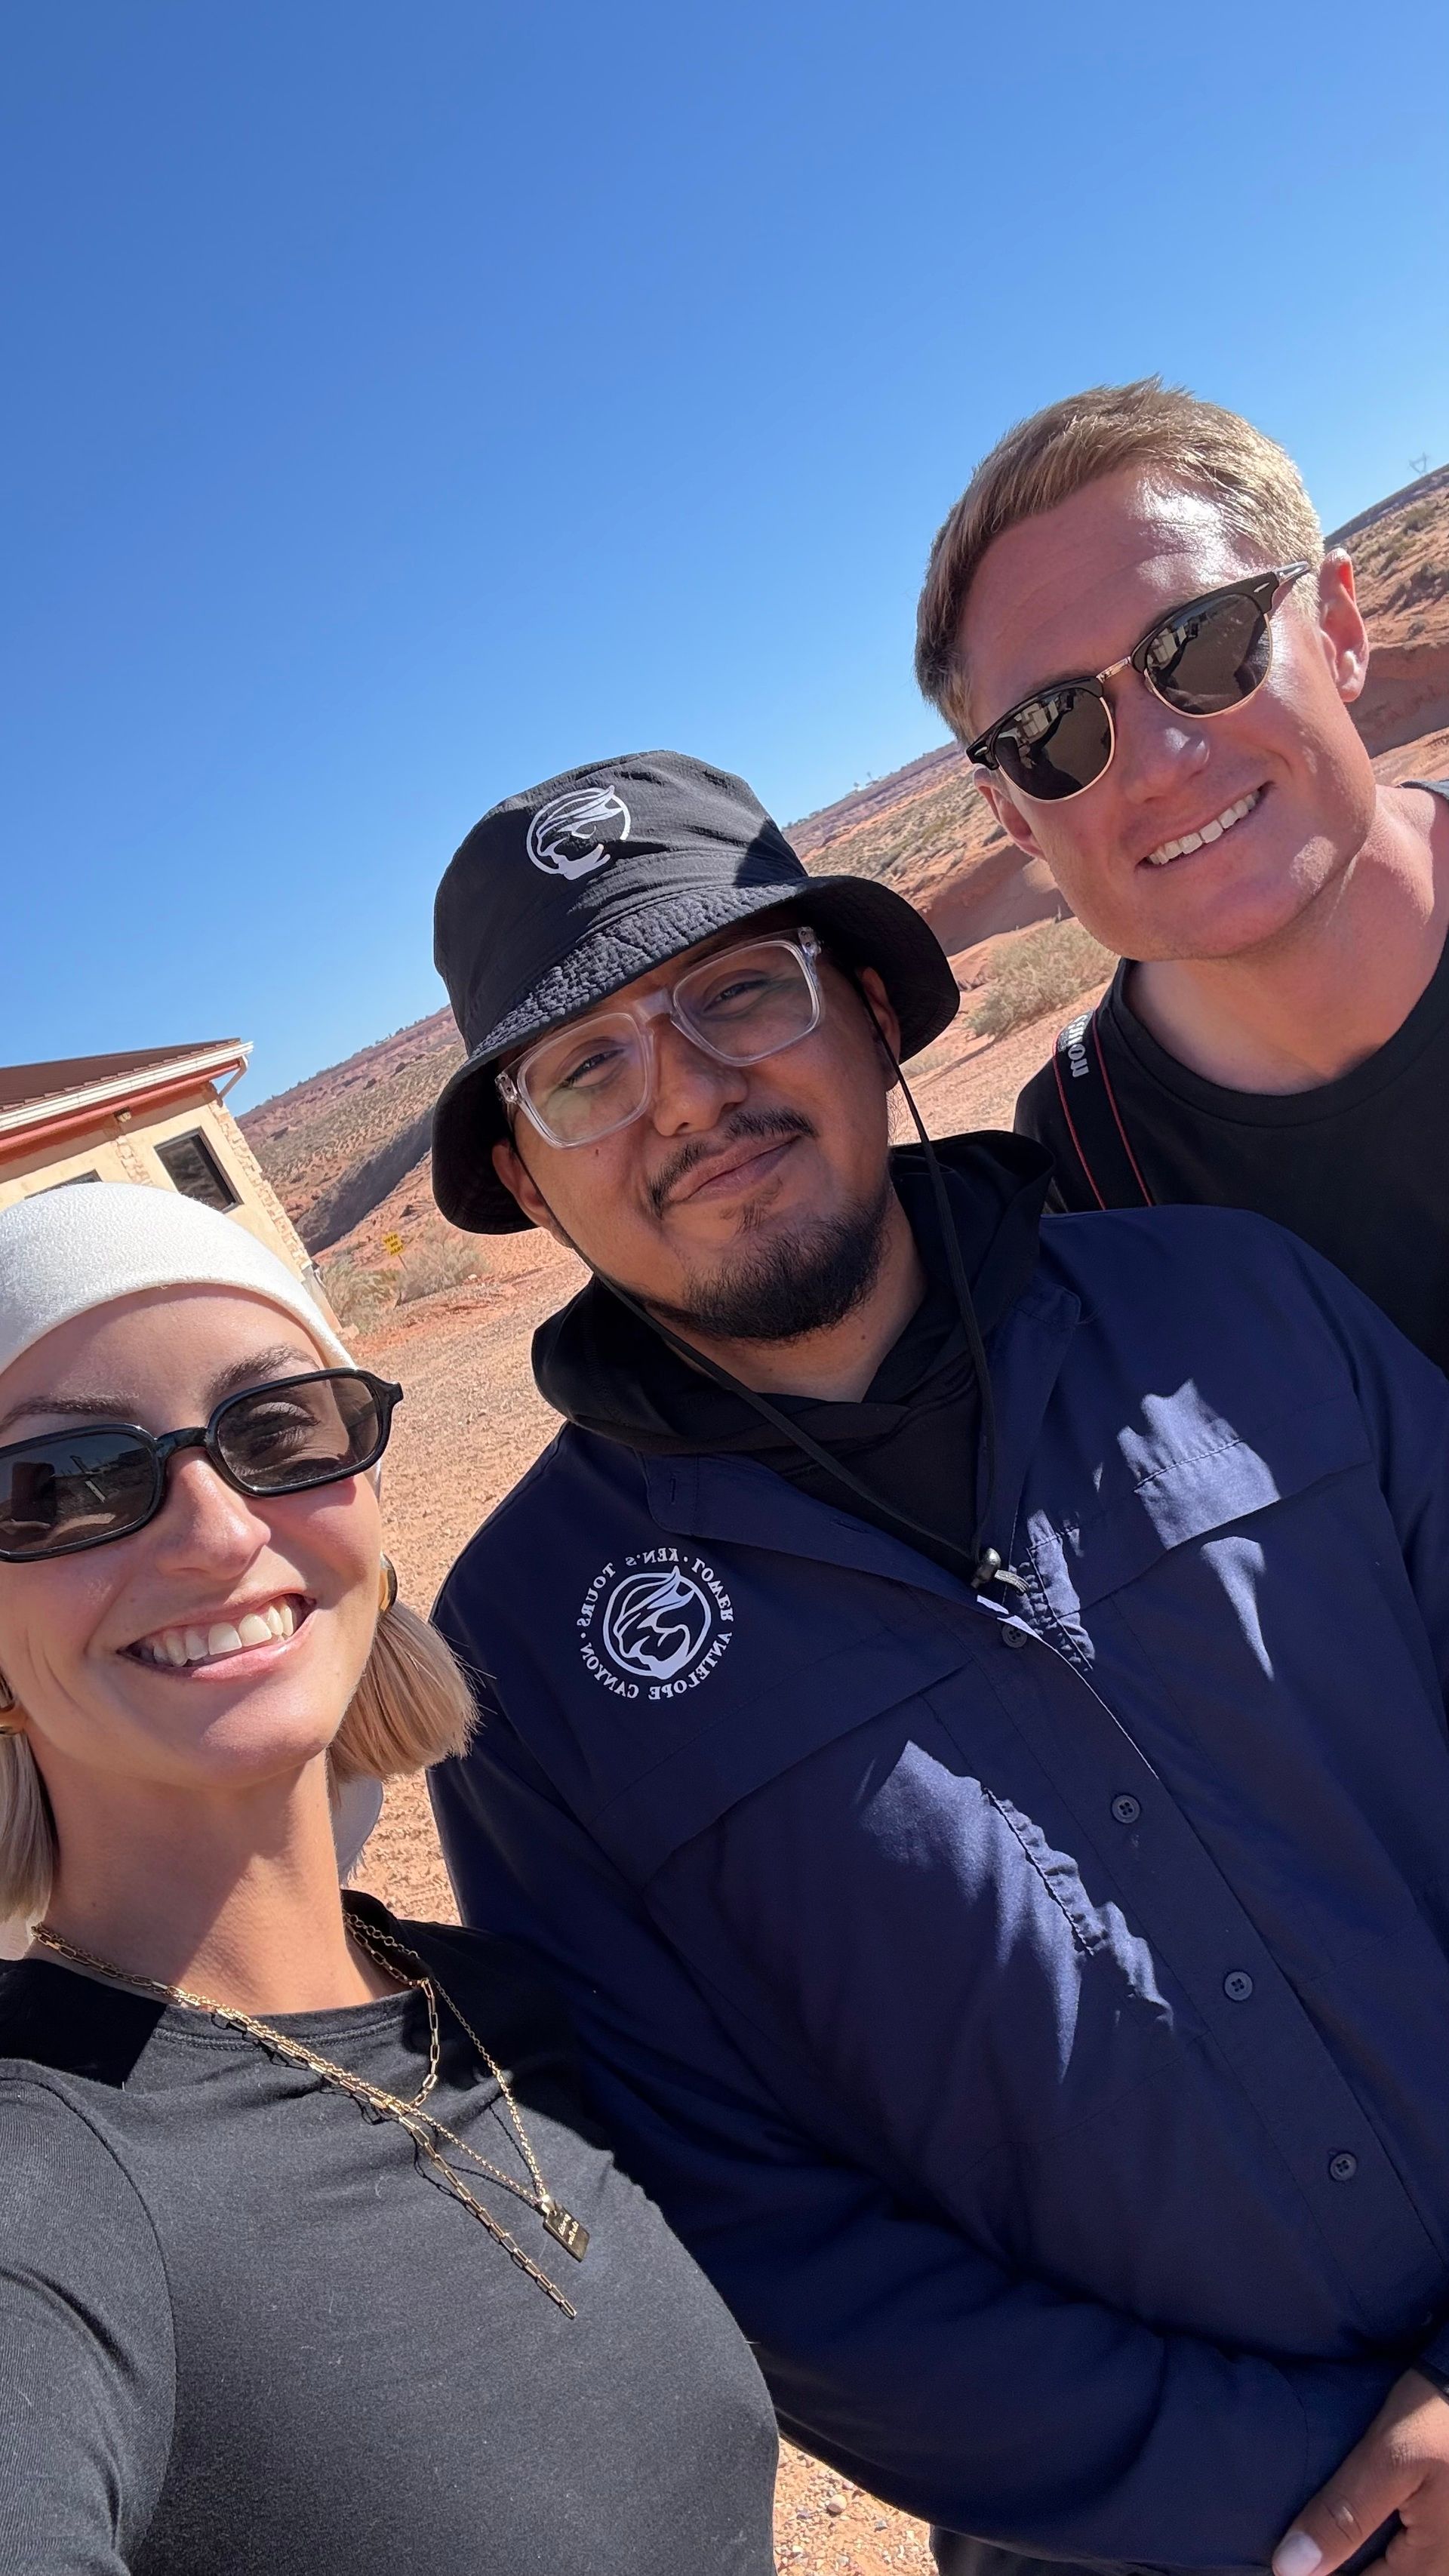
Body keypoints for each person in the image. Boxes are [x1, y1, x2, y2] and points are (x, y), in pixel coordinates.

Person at [426, 749, 1449, 2576]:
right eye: (588, 1068)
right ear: (526, 1173)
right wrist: (1297, 2498)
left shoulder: (1237, 1307)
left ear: (873, 1010)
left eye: (741, 994)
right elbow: (732, 2217)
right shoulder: (524, 1664)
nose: (691, 1096)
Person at [0, 1180, 778, 2576]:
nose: (220, 1530)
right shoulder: (42, 2187)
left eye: (277, 1430)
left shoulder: (493, 2004)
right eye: (62, 1483)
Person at [912, 379, 1449, 1368]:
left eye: (1203, 640)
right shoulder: (1088, 1167)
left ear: (1338, 632)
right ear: (1016, 818)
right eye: (1053, 730)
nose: (1162, 762)